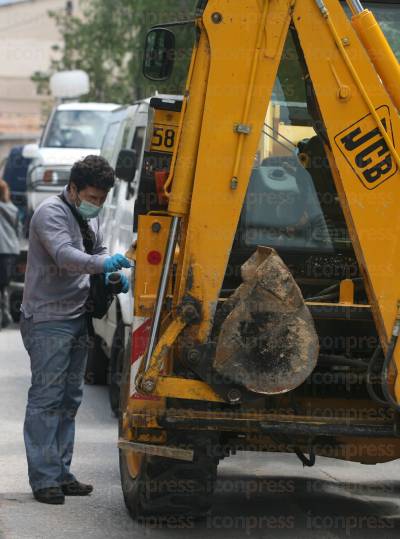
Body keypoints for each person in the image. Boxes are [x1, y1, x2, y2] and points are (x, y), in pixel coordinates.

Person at [20, 155, 131, 505]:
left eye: (101, 199)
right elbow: (66, 256)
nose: (96, 205)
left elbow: (95, 250)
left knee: (69, 400)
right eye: (91, 197)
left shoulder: (88, 219)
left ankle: (61, 472)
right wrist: (102, 263)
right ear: (72, 188)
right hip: (49, 319)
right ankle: (44, 479)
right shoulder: (50, 214)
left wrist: (110, 273)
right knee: (47, 399)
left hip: (78, 315)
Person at [0, 179, 20, 328]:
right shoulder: (13, 209)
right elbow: (18, 230)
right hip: (11, 252)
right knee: (4, 285)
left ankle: (4, 314)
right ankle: (5, 314)